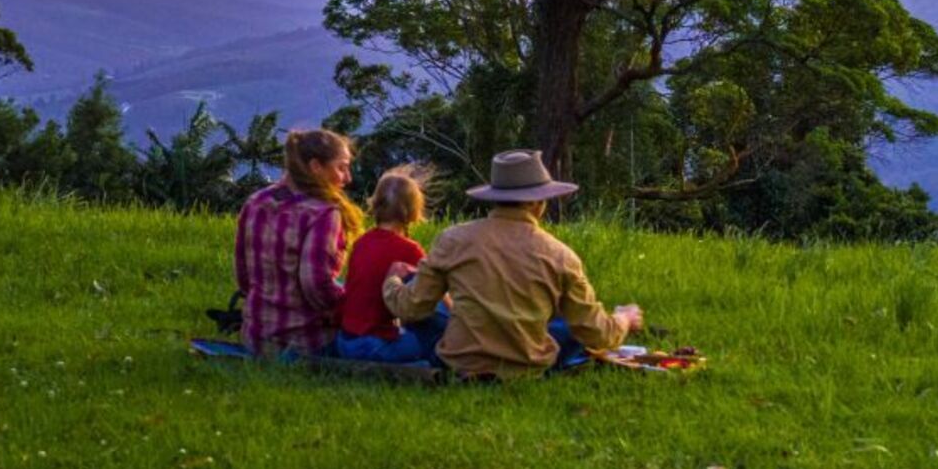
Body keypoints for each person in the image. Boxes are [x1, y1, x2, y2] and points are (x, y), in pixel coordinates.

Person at [386, 149, 644, 381]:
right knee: (570, 328)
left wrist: (392, 282)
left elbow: (412, 308)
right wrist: (624, 318)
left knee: (417, 286)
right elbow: (597, 334)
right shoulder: (560, 255)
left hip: (460, 361)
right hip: (528, 366)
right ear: (536, 202)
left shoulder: (453, 239)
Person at [233, 126, 366, 357]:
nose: (347, 178)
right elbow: (316, 284)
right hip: (306, 343)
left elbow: (244, 275)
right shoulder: (323, 213)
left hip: (256, 338)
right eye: (341, 168)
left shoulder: (255, 202)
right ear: (316, 167)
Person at [333, 164, 442, 363]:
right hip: (374, 345)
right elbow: (428, 295)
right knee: (435, 333)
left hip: (345, 341)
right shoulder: (409, 250)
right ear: (412, 210)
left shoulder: (361, 243)